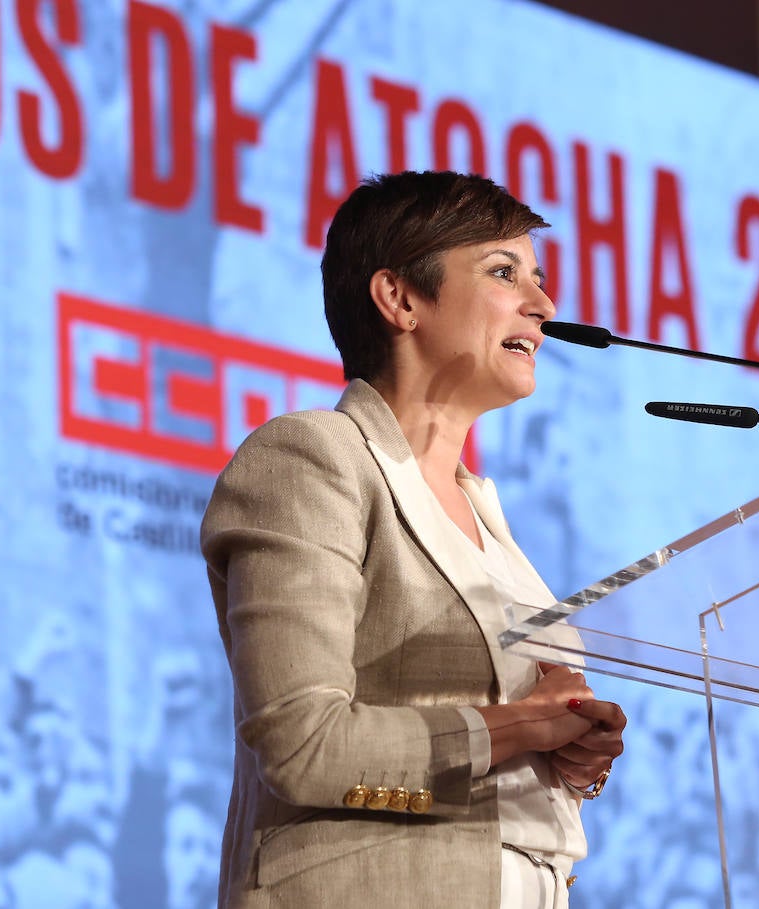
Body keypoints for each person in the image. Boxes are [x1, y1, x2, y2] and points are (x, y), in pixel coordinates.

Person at [201, 171, 626, 908]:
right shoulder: (313, 455)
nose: (545, 305)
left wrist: (573, 745)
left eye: (540, 278)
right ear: (398, 298)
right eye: (503, 272)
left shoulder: (486, 514)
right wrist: (522, 724)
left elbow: (500, 734)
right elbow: (304, 743)